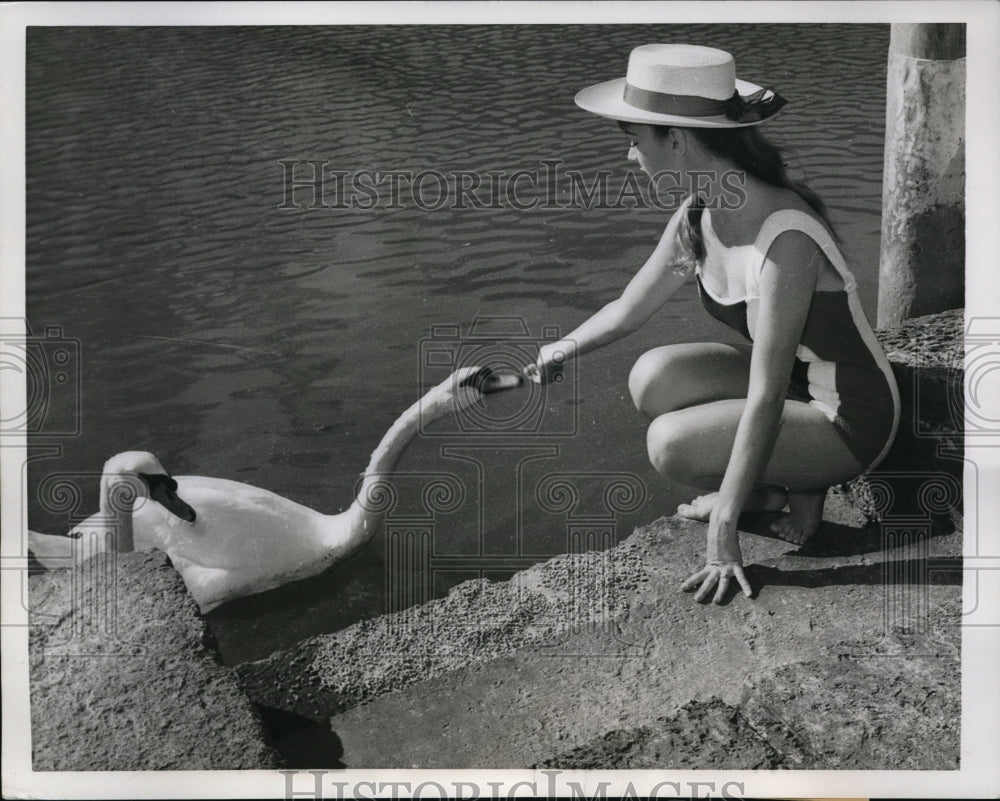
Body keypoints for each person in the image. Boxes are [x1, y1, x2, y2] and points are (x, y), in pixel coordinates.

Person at [523, 44, 900, 604]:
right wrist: (563, 346)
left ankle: (807, 477)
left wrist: (724, 530)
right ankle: (777, 492)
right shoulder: (700, 211)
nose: (630, 156)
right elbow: (630, 308)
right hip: (795, 387)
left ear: (675, 138)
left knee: (670, 445)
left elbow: (768, 393)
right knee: (652, 376)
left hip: (847, 414)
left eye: (634, 139)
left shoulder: (785, 236)